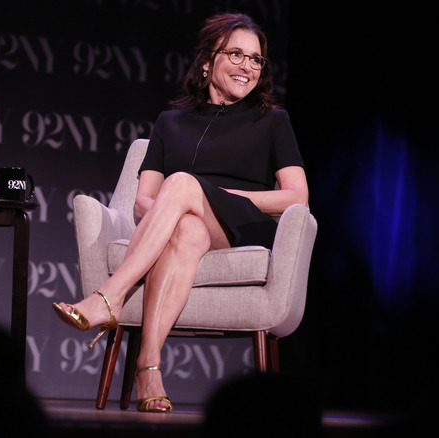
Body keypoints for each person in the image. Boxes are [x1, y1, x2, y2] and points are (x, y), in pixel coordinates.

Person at [53, 12, 308, 413]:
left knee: (182, 184)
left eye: (256, 59)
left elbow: (296, 197)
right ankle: (148, 367)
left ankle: (110, 296)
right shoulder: (170, 123)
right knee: (186, 226)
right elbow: (143, 200)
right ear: (207, 61)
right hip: (190, 225)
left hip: (242, 224)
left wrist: (213, 194)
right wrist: (176, 211)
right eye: (237, 54)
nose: (247, 66)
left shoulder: (273, 121)